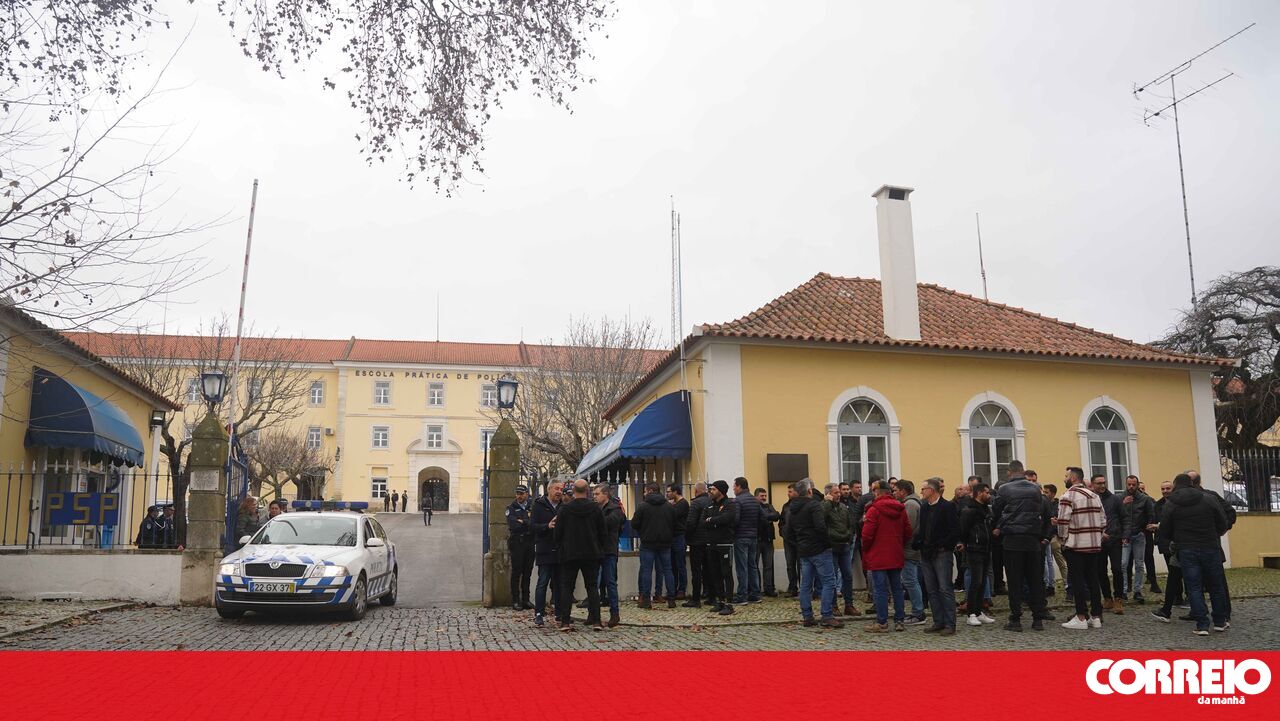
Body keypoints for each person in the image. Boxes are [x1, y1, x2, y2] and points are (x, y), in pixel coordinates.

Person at [1158, 473, 1229, 636]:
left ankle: (1202, 624)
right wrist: (1214, 534)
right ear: (1192, 483)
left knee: (1194, 587)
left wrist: (1176, 539)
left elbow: (1165, 529)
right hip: (1210, 546)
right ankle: (1220, 621)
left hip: (1186, 549)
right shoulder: (1208, 498)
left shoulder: (1172, 503)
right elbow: (1222, 522)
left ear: (1176, 485)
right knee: (1216, 585)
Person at [991, 460, 1053, 631]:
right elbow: (1042, 512)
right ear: (1023, 471)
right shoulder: (1035, 489)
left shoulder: (1004, 489)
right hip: (1032, 539)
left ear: (1009, 472)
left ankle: (1016, 619)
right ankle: (1037, 618)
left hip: (1012, 539)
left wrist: (999, 527)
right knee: (1035, 580)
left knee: (1014, 581)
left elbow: (996, 511)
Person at [552, 480, 607, 632]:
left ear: (574, 491)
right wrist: (598, 547)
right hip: (591, 553)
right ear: (587, 491)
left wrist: (561, 548)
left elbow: (558, 533)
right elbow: (603, 532)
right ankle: (596, 621)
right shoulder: (595, 509)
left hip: (570, 553)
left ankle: (565, 622)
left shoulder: (565, 509)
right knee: (592, 587)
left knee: (567, 587)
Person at [785, 478, 841, 628]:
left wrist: (799, 544)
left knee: (806, 585)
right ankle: (827, 615)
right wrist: (827, 544)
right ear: (809, 491)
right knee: (829, 582)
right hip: (819, 549)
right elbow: (820, 527)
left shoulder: (792, 508)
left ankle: (807, 616)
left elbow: (788, 532)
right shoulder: (813, 505)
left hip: (804, 551)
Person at [1057, 468, 1105, 630]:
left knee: (1077, 581)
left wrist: (1063, 539)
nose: (1064, 478)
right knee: (1093, 580)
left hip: (1076, 545)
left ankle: (1081, 616)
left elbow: (1063, 522)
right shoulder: (1095, 496)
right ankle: (1096, 617)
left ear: (1072, 478)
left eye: (1066, 476)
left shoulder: (1068, 496)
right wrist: (1096, 536)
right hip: (1094, 545)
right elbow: (1103, 521)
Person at [861, 479, 912, 632]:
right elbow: (908, 531)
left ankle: (882, 621)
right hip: (895, 553)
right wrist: (898, 543)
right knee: (897, 589)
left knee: (880, 590)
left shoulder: (873, 510)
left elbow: (866, 535)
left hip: (878, 555)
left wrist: (867, 549)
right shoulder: (900, 508)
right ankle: (899, 620)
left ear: (877, 493)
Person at [912, 478, 959, 635]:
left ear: (931, 490)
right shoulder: (924, 507)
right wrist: (918, 542)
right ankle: (938, 621)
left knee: (945, 588)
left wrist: (943, 545)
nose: (921, 492)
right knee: (931, 589)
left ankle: (950, 623)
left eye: (923, 489)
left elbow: (954, 530)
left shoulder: (947, 506)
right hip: (926, 553)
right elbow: (923, 530)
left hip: (941, 553)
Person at [631, 482, 677, 609]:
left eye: (645, 491)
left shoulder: (643, 506)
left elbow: (634, 524)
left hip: (648, 543)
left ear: (650, 491)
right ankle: (671, 599)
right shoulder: (669, 506)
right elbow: (675, 524)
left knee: (646, 570)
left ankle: (646, 599)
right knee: (668, 570)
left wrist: (644, 530)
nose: (644, 493)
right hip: (665, 543)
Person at [958, 482, 996, 626]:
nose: (989, 495)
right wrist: (963, 543)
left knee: (982, 582)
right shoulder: (969, 510)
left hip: (986, 548)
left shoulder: (986, 509)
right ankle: (971, 613)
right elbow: (963, 529)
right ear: (979, 493)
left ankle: (979, 612)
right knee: (976, 582)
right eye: (987, 492)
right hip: (974, 549)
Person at [1150, 479, 1186, 622]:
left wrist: (1159, 526)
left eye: (1167, 488)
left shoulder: (1178, 503)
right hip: (1165, 542)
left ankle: (1183, 598)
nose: (1165, 491)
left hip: (1178, 542)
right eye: (1163, 489)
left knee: (1180, 572)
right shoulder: (1158, 504)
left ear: (1173, 489)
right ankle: (1177, 597)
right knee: (1172, 572)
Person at [822, 482, 859, 617]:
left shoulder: (843, 507)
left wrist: (848, 537)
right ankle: (833, 606)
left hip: (844, 545)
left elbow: (850, 524)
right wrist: (827, 503)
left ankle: (849, 605)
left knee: (848, 576)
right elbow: (822, 520)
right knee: (832, 577)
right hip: (831, 547)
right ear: (828, 494)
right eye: (835, 493)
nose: (839, 495)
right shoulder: (823, 506)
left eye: (839, 492)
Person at [891, 480, 926, 624]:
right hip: (911, 548)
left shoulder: (910, 505)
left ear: (903, 491)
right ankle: (918, 611)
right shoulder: (913, 502)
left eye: (895, 490)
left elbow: (907, 528)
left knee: (910, 581)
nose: (894, 493)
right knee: (911, 580)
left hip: (909, 549)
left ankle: (918, 612)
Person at [1091, 474, 1126, 613]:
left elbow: (1124, 518)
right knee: (1100, 570)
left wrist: (1125, 534)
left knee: (1117, 569)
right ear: (1093, 485)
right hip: (1098, 540)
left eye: (1103, 482)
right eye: (1099, 483)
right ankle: (1107, 598)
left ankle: (1118, 598)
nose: (1102, 485)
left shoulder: (1115, 499)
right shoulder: (1091, 499)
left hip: (1115, 539)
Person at [702, 480, 738, 616]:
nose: (711, 491)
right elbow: (702, 521)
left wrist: (711, 520)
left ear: (721, 491)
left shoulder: (729, 504)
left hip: (725, 544)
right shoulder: (709, 505)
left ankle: (729, 603)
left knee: (726, 573)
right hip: (711, 544)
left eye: (713, 489)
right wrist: (713, 521)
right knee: (715, 573)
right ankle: (720, 601)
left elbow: (726, 519)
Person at [530, 482, 563, 627]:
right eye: (556, 488)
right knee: (543, 582)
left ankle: (559, 613)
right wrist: (547, 526)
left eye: (561, 489)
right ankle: (539, 613)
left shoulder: (563, 506)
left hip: (560, 550)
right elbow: (532, 526)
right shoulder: (539, 505)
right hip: (545, 549)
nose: (559, 491)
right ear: (549, 489)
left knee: (559, 583)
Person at [1120, 474, 1156, 604]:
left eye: (1133, 484)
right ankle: (1123, 590)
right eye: (1129, 484)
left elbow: (1151, 515)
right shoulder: (1120, 497)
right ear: (1126, 484)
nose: (1131, 487)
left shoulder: (1145, 499)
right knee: (1123, 564)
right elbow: (1116, 515)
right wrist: (1123, 504)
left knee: (1139, 564)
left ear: (1137, 485)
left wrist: (1146, 528)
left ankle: (1138, 591)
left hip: (1139, 535)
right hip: (1125, 535)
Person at [595, 484, 625, 627]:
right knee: (593, 583)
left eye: (597, 494)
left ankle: (615, 613)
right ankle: (594, 614)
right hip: (596, 549)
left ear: (605, 494)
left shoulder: (614, 509)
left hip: (608, 549)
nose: (594, 497)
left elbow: (609, 524)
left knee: (610, 582)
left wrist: (595, 520)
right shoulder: (595, 508)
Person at [731, 477, 762, 604]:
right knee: (752, 566)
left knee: (742, 567)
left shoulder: (737, 500)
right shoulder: (755, 500)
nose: (733, 489)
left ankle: (742, 595)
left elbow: (735, 520)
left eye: (734, 486)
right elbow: (762, 517)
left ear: (739, 486)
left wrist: (731, 530)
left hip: (741, 537)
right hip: (753, 537)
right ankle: (755, 594)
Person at [506, 485, 535, 611]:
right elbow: (513, 525)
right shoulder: (511, 508)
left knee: (527, 572)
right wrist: (526, 522)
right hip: (517, 542)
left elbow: (534, 524)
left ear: (526, 494)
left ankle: (525, 600)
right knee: (516, 572)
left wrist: (523, 521)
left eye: (521, 493)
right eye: (517, 493)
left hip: (529, 542)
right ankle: (515, 600)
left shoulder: (532, 507)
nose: (519, 496)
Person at [684, 482, 712, 607]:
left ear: (696, 491)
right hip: (710, 540)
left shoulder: (695, 503)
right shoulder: (712, 501)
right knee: (709, 569)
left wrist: (687, 537)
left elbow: (690, 523)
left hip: (697, 541)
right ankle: (711, 596)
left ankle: (696, 599)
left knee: (696, 571)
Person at [663, 484, 689, 602]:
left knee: (680, 564)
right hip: (672, 536)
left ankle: (682, 589)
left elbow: (673, 515)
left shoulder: (683, 504)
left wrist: (669, 506)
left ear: (675, 492)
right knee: (672, 565)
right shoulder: (674, 504)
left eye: (669, 492)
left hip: (679, 536)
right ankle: (673, 589)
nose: (667, 494)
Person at [1041, 484, 1068, 596]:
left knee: (1059, 562)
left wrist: (1053, 534)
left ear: (1052, 494)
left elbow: (1055, 521)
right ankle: (1050, 585)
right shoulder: (1044, 503)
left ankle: (1067, 584)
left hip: (1054, 537)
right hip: (1048, 536)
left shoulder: (1057, 505)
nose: (1044, 494)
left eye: (1046, 492)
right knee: (1048, 561)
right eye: (1044, 491)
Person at [755, 488, 780, 597]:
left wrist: (767, 517)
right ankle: (756, 589)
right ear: (756, 496)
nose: (764, 498)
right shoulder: (754, 507)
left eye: (765, 495)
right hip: (757, 540)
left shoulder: (769, 506)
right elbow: (759, 519)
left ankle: (769, 589)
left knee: (768, 566)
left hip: (768, 540)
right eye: (762, 496)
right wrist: (768, 517)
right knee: (754, 566)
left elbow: (777, 516)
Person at [779, 483, 801, 597]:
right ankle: (792, 588)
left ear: (797, 492)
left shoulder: (802, 505)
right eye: (788, 492)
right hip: (788, 540)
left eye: (790, 492)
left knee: (801, 565)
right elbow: (782, 521)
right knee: (790, 565)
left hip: (800, 540)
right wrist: (783, 532)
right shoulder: (786, 506)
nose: (788, 494)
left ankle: (803, 588)